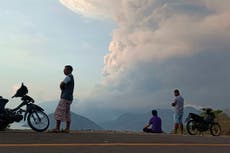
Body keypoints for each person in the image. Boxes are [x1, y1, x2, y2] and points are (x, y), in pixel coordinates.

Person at [52, 65, 74, 133]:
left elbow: (62, 84)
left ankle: (57, 128)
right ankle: (67, 129)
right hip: (69, 98)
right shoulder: (72, 77)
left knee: (59, 112)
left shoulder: (68, 77)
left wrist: (62, 88)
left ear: (69, 70)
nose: (64, 71)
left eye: (65, 70)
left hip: (65, 97)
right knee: (67, 113)